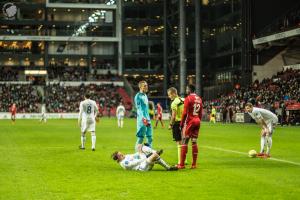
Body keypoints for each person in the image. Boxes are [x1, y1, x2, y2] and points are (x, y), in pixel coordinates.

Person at [178, 84, 203, 169]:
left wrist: (181, 124)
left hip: (190, 121)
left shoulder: (188, 98)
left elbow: (185, 113)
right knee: (194, 142)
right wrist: (198, 121)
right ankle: (194, 164)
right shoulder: (199, 99)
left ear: (189, 90)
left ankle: (181, 165)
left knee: (184, 141)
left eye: (186, 89)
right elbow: (200, 113)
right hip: (197, 121)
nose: (186, 90)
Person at [111, 144, 178, 171]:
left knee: (140, 146)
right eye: (121, 155)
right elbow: (137, 162)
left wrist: (140, 151)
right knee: (155, 156)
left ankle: (155, 152)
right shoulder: (125, 163)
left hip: (143, 162)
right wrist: (142, 154)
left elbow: (135, 155)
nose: (123, 155)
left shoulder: (126, 156)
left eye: (121, 154)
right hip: (143, 167)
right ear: (118, 159)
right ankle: (168, 167)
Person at [167, 87, 186, 165]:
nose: (169, 96)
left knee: (179, 142)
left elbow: (173, 116)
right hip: (185, 122)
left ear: (174, 93)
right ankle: (184, 160)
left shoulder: (174, 103)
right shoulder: (184, 100)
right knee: (184, 142)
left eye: (169, 95)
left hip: (177, 123)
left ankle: (180, 162)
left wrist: (170, 124)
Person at [134, 81, 153, 149]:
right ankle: (137, 154)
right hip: (142, 120)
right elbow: (139, 109)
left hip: (148, 119)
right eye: (144, 86)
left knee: (150, 138)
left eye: (147, 85)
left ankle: (150, 154)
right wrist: (143, 118)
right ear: (140, 87)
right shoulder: (138, 96)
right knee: (141, 138)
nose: (146, 87)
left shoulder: (145, 95)